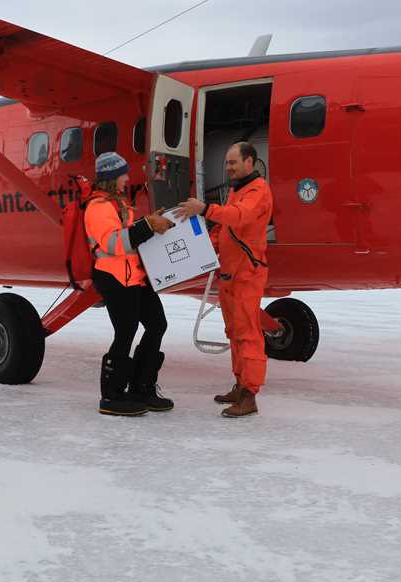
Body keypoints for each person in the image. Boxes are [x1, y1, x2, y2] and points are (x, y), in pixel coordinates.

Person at [175, 142, 273, 418]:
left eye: (233, 162)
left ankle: (249, 395)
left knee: (248, 333)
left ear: (250, 162)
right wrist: (204, 249)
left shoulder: (258, 191)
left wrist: (204, 209)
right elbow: (226, 229)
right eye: (227, 163)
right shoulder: (238, 189)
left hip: (247, 274)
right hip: (229, 274)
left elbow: (238, 217)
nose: (228, 167)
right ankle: (240, 384)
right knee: (234, 333)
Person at [85, 151, 176, 416]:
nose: (127, 178)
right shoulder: (98, 208)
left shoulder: (116, 205)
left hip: (133, 276)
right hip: (114, 279)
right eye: (123, 173)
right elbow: (114, 244)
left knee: (157, 324)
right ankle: (111, 396)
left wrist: (148, 223)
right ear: (112, 177)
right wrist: (148, 225)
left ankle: (142, 386)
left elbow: (127, 235)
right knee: (125, 332)